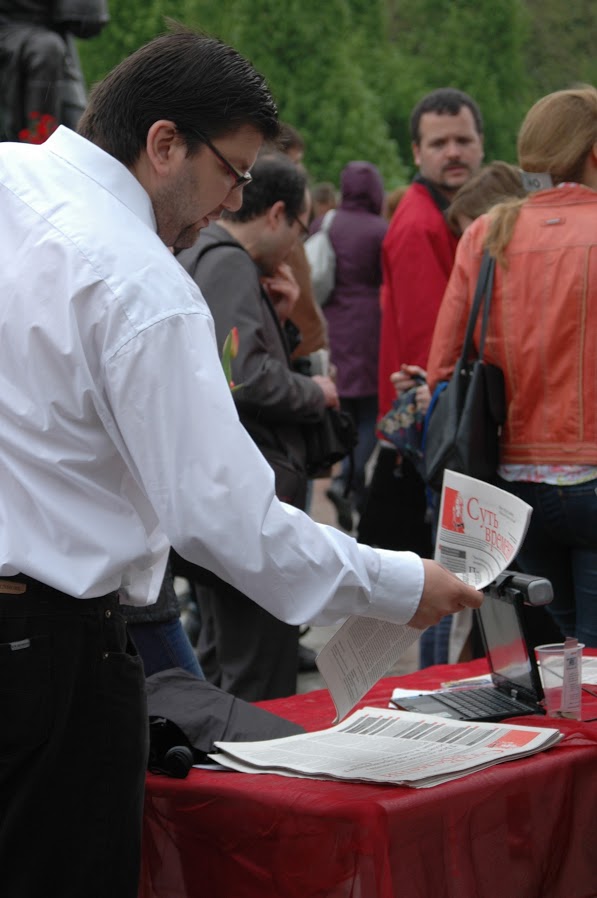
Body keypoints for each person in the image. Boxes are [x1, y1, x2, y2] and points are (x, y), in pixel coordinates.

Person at [0, 28, 483, 898]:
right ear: (164, 144)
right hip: (49, 652)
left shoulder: (11, 178)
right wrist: (401, 584)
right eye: (232, 172)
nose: (232, 201)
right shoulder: (141, 282)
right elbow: (225, 519)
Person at [428, 84, 597, 649]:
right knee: (587, 657)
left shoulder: (486, 232)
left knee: (571, 651)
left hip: (511, 489)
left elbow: (443, 367)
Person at [177, 154, 338, 700]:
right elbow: (239, 377)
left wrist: (283, 322)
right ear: (276, 215)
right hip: (248, 494)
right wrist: (315, 391)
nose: (296, 243)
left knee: (225, 657)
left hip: (225, 491)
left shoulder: (205, 253)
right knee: (259, 673)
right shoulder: (229, 263)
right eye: (300, 227)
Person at [358, 88, 484, 557]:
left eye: (462, 140)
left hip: (433, 423)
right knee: (443, 571)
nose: (452, 152)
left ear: (481, 144)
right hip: (431, 427)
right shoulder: (420, 224)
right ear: (417, 151)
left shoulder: (446, 215)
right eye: (438, 143)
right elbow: (428, 342)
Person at [310, 161, 388, 531]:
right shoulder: (380, 230)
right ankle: (348, 482)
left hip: (333, 323)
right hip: (372, 325)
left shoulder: (326, 223)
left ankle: (343, 479)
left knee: (343, 405)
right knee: (372, 410)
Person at [0, 0, 103, 141]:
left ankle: (41, 136)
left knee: (83, 138)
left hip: (50, 48)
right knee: (46, 48)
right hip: (25, 42)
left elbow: (88, 24)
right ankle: (39, 138)